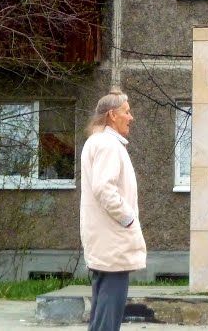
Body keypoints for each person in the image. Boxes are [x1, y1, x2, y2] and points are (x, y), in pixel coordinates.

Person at [80, 88, 146, 331]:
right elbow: (104, 189)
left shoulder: (97, 142)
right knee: (110, 311)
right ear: (112, 115)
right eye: (127, 112)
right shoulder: (108, 145)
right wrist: (127, 218)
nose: (131, 117)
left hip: (105, 240)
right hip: (113, 240)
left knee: (102, 309)